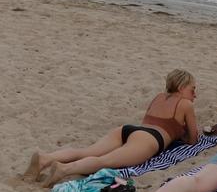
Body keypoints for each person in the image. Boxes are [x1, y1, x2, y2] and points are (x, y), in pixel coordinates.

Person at [26, 70, 198, 185]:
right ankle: (65, 169)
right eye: (192, 90)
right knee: (105, 162)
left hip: (128, 130)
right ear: (182, 88)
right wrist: (180, 134)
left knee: (86, 151)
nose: (194, 95)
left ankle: (46, 158)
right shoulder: (185, 105)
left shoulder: (158, 97)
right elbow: (193, 139)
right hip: (150, 139)